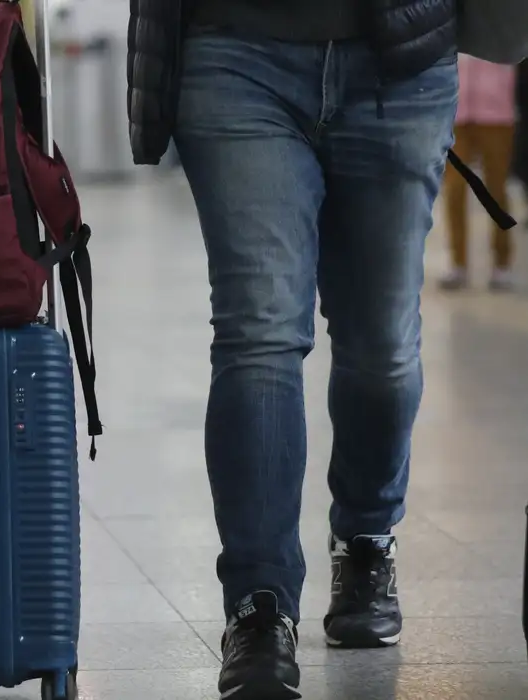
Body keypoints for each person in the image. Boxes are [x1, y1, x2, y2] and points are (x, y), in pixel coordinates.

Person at [127, 2, 469, 698]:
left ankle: (367, 537)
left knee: (383, 349)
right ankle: (258, 604)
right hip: (234, 51)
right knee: (259, 331)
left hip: (396, 59)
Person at [441, 54, 518, 292]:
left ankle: (502, 263)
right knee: (453, 188)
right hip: (456, 109)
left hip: (497, 111)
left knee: (496, 190)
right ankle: (458, 264)